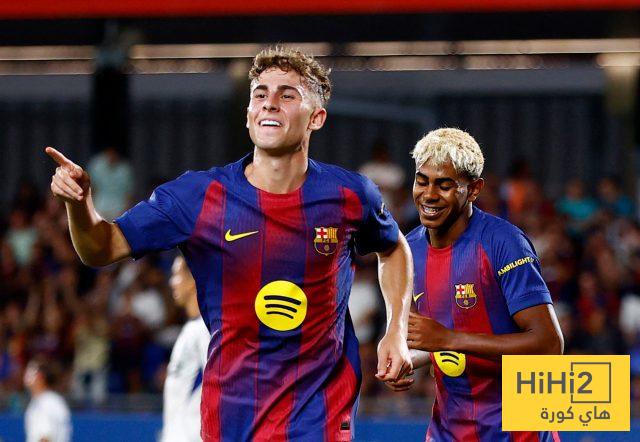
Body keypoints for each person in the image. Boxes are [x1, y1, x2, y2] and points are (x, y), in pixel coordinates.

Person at [45, 46, 413, 441]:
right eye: (260, 94)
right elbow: (101, 249)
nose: (270, 103)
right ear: (249, 113)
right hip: (231, 421)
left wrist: (396, 330)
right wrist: (80, 206)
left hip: (319, 419)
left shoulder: (349, 195)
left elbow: (393, 248)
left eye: (287, 94)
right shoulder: (197, 196)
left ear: (316, 118)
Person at [386, 128, 563, 441]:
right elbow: (433, 339)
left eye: (444, 185)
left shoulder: (504, 242)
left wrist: (450, 339)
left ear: (474, 189)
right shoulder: (409, 250)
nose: (429, 195)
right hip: (448, 430)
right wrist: (408, 359)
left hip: (517, 432)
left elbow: (549, 345)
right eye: (422, 181)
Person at [161, 255, 210, 442]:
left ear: (192, 281)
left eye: (176, 275)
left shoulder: (206, 330)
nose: (172, 282)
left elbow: (218, 385)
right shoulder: (191, 329)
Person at [24, 359, 72, 442]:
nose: (26, 376)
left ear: (40, 376)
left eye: (30, 373)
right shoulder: (45, 400)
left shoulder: (47, 402)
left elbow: (45, 437)